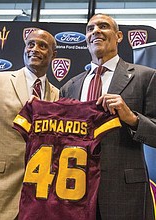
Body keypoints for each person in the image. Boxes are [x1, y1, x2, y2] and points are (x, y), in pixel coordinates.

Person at [60, 13, 156, 219]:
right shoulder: (69, 87)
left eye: (103, 26)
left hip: (124, 192)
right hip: (75, 191)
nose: (96, 31)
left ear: (119, 36)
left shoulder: (145, 77)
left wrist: (131, 118)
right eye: (90, 28)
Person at [0, 28, 59, 219]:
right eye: (30, 44)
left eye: (43, 46)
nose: (35, 49)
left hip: (37, 199)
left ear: (53, 54)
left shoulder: (57, 94)